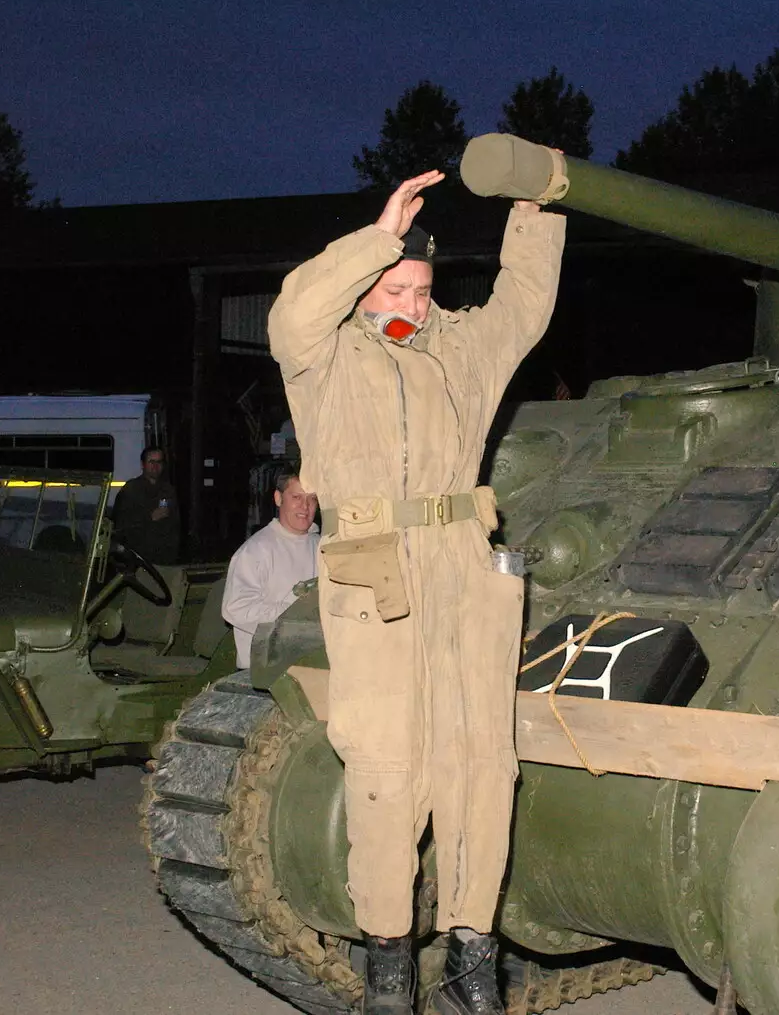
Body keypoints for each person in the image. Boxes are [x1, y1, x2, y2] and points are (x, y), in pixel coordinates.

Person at [268, 166, 565, 1015]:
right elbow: (293, 308)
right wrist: (377, 234)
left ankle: (474, 954)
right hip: (376, 568)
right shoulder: (324, 356)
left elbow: (523, 307)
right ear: (364, 287)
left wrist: (535, 213)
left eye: (424, 286)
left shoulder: (462, 348)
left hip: (464, 560)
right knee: (388, 765)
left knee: (479, 759)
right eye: (395, 285)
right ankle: (388, 966)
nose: (413, 300)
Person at [222, 469, 320, 670]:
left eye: (312, 499)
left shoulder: (322, 547)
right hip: (265, 671)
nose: (305, 506)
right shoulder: (256, 550)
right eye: (296, 497)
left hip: (312, 662)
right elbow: (235, 608)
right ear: (278, 498)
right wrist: (293, 615)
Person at [111, 446, 181, 564]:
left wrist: (173, 551)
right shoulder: (131, 489)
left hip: (164, 558)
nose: (155, 466)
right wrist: (150, 517)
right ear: (143, 464)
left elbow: (175, 525)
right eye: (151, 462)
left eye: (159, 462)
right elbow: (121, 524)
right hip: (138, 558)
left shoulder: (168, 490)